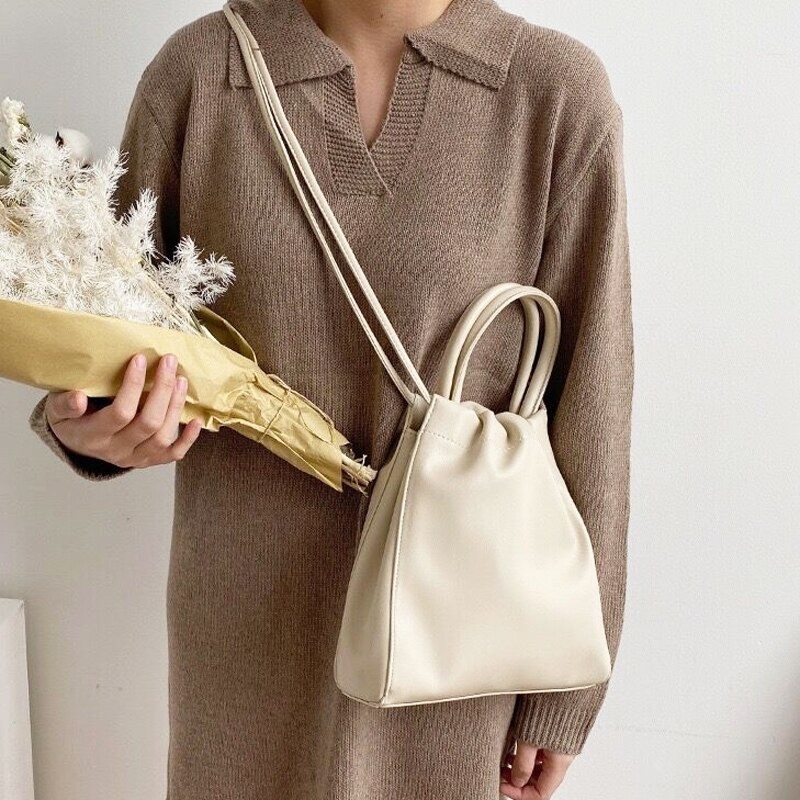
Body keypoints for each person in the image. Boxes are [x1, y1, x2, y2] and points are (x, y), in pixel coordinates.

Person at [28, 0, 634, 797]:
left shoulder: (552, 93)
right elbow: (101, 327)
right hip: (245, 646)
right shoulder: (202, 76)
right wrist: (87, 428)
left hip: (459, 657)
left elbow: (595, 401)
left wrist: (566, 696)